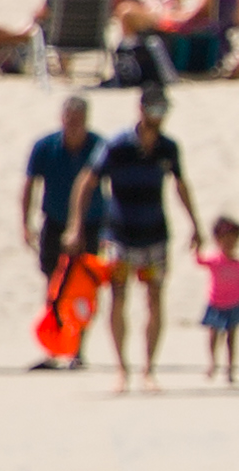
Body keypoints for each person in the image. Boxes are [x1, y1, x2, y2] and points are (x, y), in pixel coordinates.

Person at [86, 87, 200, 391]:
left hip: (155, 235)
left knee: (154, 298)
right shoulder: (117, 145)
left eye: (163, 110)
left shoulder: (168, 148)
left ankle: (148, 369)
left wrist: (195, 224)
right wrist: (76, 225)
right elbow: (89, 181)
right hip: (119, 235)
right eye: (155, 110)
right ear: (142, 110)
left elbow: (181, 185)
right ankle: (121, 369)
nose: (159, 116)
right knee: (118, 297)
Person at [18, 96, 103, 369]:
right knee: (53, 286)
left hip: (91, 224)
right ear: (62, 119)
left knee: (84, 288)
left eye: (79, 121)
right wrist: (25, 223)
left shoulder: (98, 147)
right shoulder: (45, 147)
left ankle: (78, 350)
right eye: (69, 120)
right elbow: (29, 185)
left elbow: (112, 186)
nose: (73, 126)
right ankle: (53, 349)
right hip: (54, 223)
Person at [199, 216, 239, 384]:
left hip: (234, 304)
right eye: (226, 240)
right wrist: (197, 246)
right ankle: (213, 363)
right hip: (215, 303)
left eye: (233, 240)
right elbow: (199, 261)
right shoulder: (214, 260)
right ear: (218, 240)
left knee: (232, 338)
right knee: (213, 335)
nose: (230, 244)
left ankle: (230, 369)